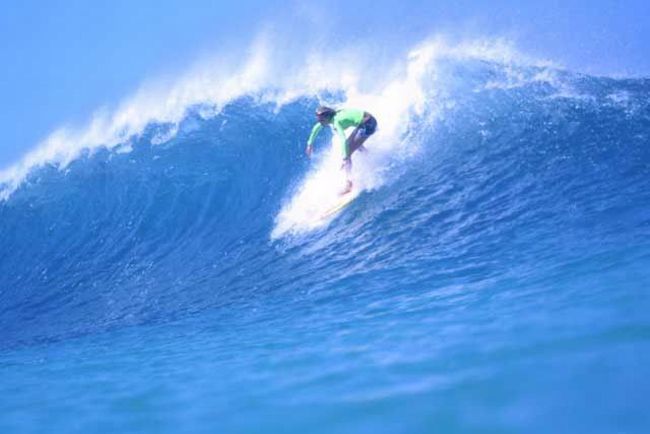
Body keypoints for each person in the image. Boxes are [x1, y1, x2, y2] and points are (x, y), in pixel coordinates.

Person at [305, 106, 378, 194]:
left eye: (321, 120)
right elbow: (317, 127)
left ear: (327, 117)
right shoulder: (332, 118)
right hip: (366, 120)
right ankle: (369, 155)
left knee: (348, 150)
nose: (319, 121)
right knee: (352, 144)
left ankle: (349, 184)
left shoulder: (336, 122)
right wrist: (310, 144)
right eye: (318, 119)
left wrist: (345, 158)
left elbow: (342, 139)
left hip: (368, 124)